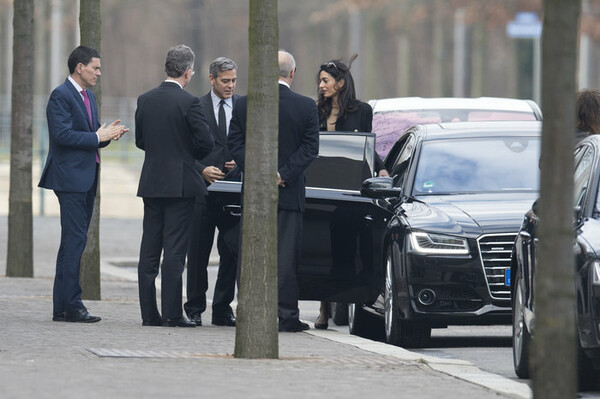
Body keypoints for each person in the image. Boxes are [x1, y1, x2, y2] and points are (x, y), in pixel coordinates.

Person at [228, 50, 320, 332]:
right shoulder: (306, 107)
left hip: (255, 194)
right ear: (292, 73)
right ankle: (287, 315)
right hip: (289, 193)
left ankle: (248, 311)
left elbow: (235, 144)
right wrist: (282, 174)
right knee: (286, 256)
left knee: (250, 253)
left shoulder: (243, 104)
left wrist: (260, 174)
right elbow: (310, 148)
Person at [39, 45, 128, 323]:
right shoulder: (60, 95)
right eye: (95, 68)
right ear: (80, 67)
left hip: (88, 176)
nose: (99, 73)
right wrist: (96, 137)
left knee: (72, 242)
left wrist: (107, 135)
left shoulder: (89, 96)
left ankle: (62, 307)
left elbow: (91, 134)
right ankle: (73, 306)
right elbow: (63, 135)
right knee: (75, 241)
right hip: (70, 179)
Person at [135, 45, 214, 328]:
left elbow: (140, 141)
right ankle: (171, 313)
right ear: (188, 71)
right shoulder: (189, 103)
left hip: (152, 182)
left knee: (149, 251)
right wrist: (184, 152)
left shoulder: (145, 99)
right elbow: (205, 142)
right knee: (175, 252)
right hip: (181, 185)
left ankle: (148, 314)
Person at [314, 55, 389, 329]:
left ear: (341, 83)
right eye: (320, 81)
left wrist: (381, 169)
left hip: (352, 190)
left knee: (352, 248)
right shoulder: (316, 111)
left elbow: (368, 146)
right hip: (323, 186)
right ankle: (324, 308)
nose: (321, 85)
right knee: (326, 249)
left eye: (325, 80)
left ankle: (353, 302)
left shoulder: (362, 111)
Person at [184, 57, 240, 327]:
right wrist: (201, 169)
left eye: (233, 81)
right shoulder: (196, 105)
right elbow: (184, 149)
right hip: (201, 190)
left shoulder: (243, 106)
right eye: (225, 81)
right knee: (197, 251)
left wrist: (240, 162)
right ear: (211, 79)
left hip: (233, 191)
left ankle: (222, 308)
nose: (230, 86)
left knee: (230, 251)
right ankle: (194, 307)